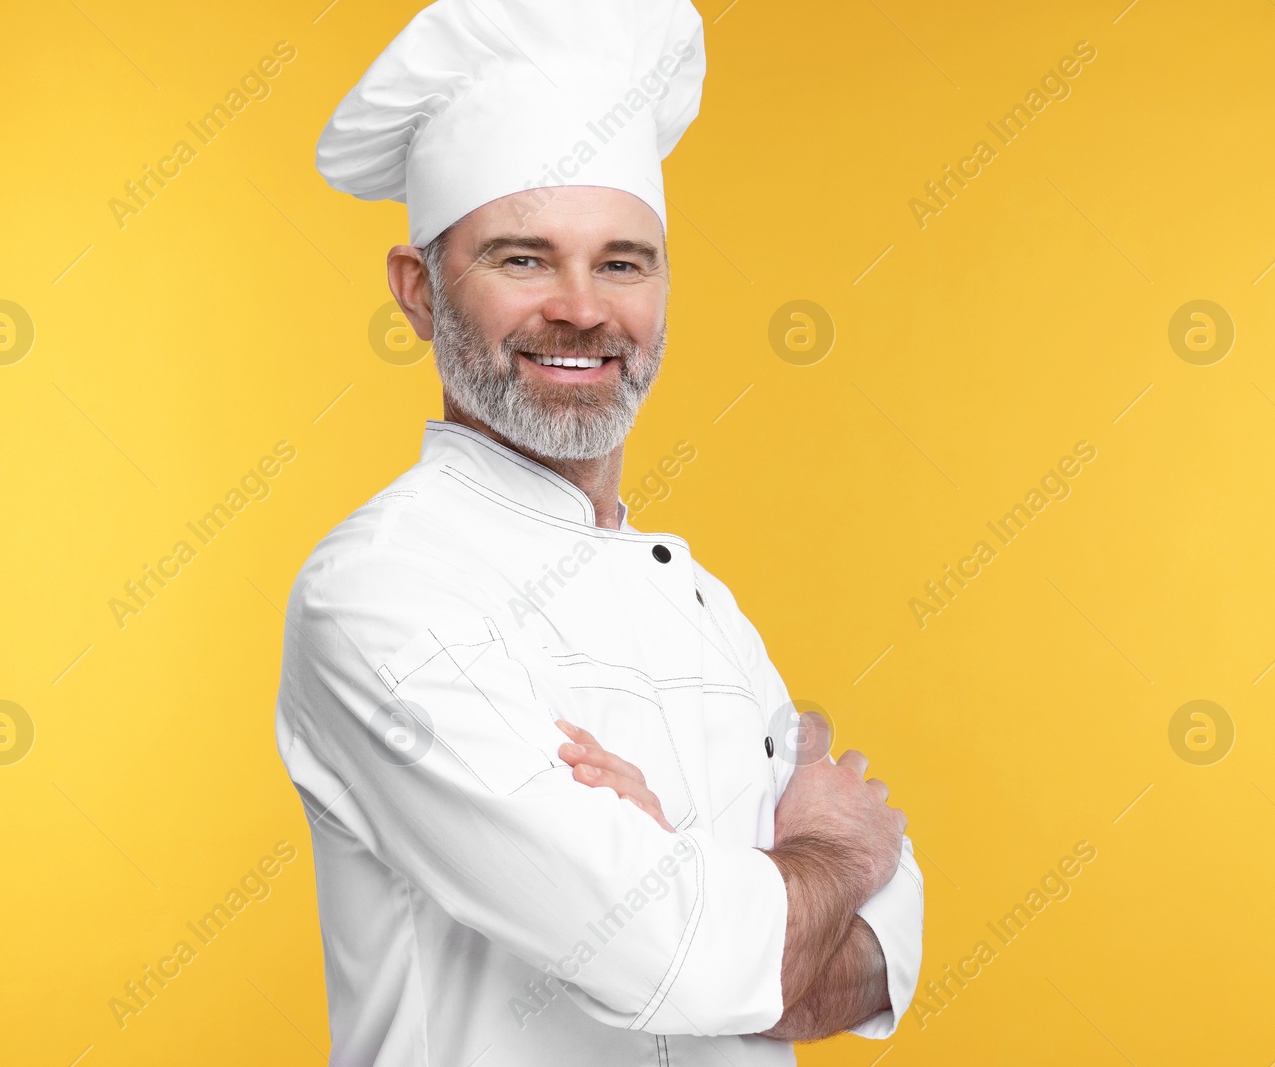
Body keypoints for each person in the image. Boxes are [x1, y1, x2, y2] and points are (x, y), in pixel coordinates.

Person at [274, 1, 923, 1063]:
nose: (582, 309)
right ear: (418, 292)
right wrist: (824, 847)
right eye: (523, 260)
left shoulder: (702, 602)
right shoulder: (380, 593)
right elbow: (682, 955)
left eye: (623, 263)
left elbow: (888, 950)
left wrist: (698, 888)